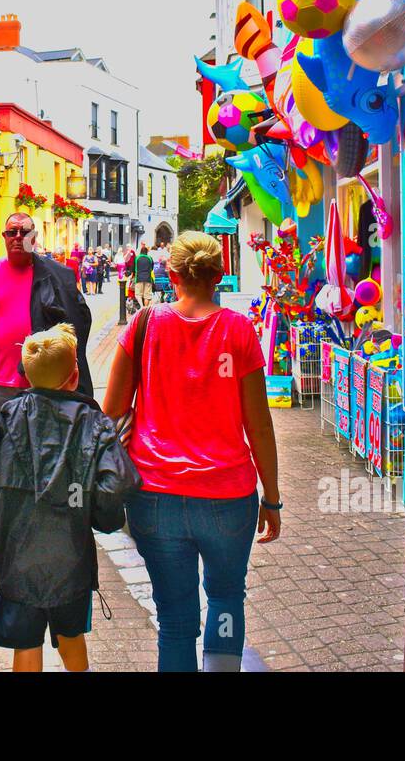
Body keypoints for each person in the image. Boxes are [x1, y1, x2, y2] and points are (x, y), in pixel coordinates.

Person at [102, 232, 281, 672]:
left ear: (172, 273)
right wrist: (271, 497)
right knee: (225, 599)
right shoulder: (238, 330)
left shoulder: (145, 325)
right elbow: (258, 424)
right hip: (227, 496)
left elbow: (109, 413)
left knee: (176, 621)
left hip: (155, 494)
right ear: (218, 275)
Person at [0, 323, 141, 672]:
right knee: (71, 636)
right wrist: (100, 515)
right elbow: (116, 485)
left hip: (16, 555)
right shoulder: (92, 421)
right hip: (71, 556)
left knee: (26, 643)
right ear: (75, 376)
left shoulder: (7, 416)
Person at [0, 211, 93, 418]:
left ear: (34, 238)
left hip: (45, 382)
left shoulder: (55, 275)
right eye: (12, 232)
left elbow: (77, 321)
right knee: (4, 446)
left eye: (25, 232)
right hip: (0, 382)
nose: (18, 237)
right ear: (4, 237)